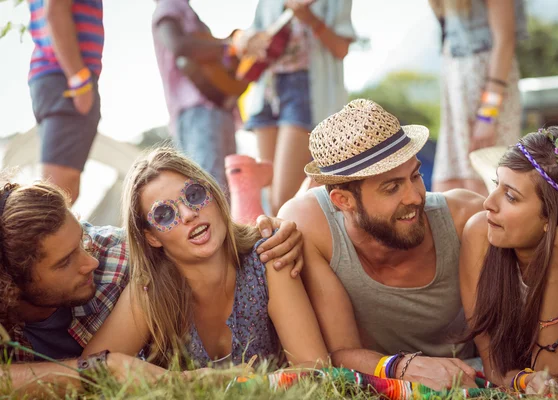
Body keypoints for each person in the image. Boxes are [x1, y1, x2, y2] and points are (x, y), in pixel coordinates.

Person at [0, 179, 304, 394]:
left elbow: (198, 244)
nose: (89, 262)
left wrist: (271, 232)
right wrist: (102, 369)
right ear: (9, 285)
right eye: (65, 262)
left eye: (81, 240)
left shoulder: (126, 259)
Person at [278, 99, 485, 390]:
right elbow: (339, 351)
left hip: (473, 376)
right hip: (377, 383)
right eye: (392, 187)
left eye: (415, 176)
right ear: (344, 201)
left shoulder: (465, 218)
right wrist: (404, 368)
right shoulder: (313, 227)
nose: (414, 197)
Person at [83, 147, 328, 371]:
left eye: (194, 194)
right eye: (165, 214)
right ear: (151, 237)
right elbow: (86, 375)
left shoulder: (268, 257)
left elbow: (314, 368)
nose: (189, 214)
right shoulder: (148, 292)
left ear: (213, 191)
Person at [460, 126, 558, 393]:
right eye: (495, 185)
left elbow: (555, 377)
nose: (488, 203)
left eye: (511, 196)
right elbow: (494, 366)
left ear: (551, 218)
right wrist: (522, 380)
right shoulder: (480, 234)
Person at [240, 0, 355, 215]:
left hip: (307, 91)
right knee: (270, 196)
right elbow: (249, 35)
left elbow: (341, 48)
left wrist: (310, 19)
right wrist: (248, 40)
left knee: (283, 201)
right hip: (267, 90)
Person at [429, 0, 528, 196]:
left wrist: (487, 115)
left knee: (485, 180)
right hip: (455, 85)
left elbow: (505, 40)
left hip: (487, 85)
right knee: (449, 186)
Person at [152, 0, 239, 189]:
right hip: (198, 111)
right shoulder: (169, 6)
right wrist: (228, 47)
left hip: (214, 108)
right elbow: (179, 46)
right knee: (210, 184)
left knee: (227, 186)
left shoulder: (186, 11)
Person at [27, 0, 104, 203]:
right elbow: (55, 10)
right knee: (55, 195)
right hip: (65, 75)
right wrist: (78, 80)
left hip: (56, 76)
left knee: (63, 191)